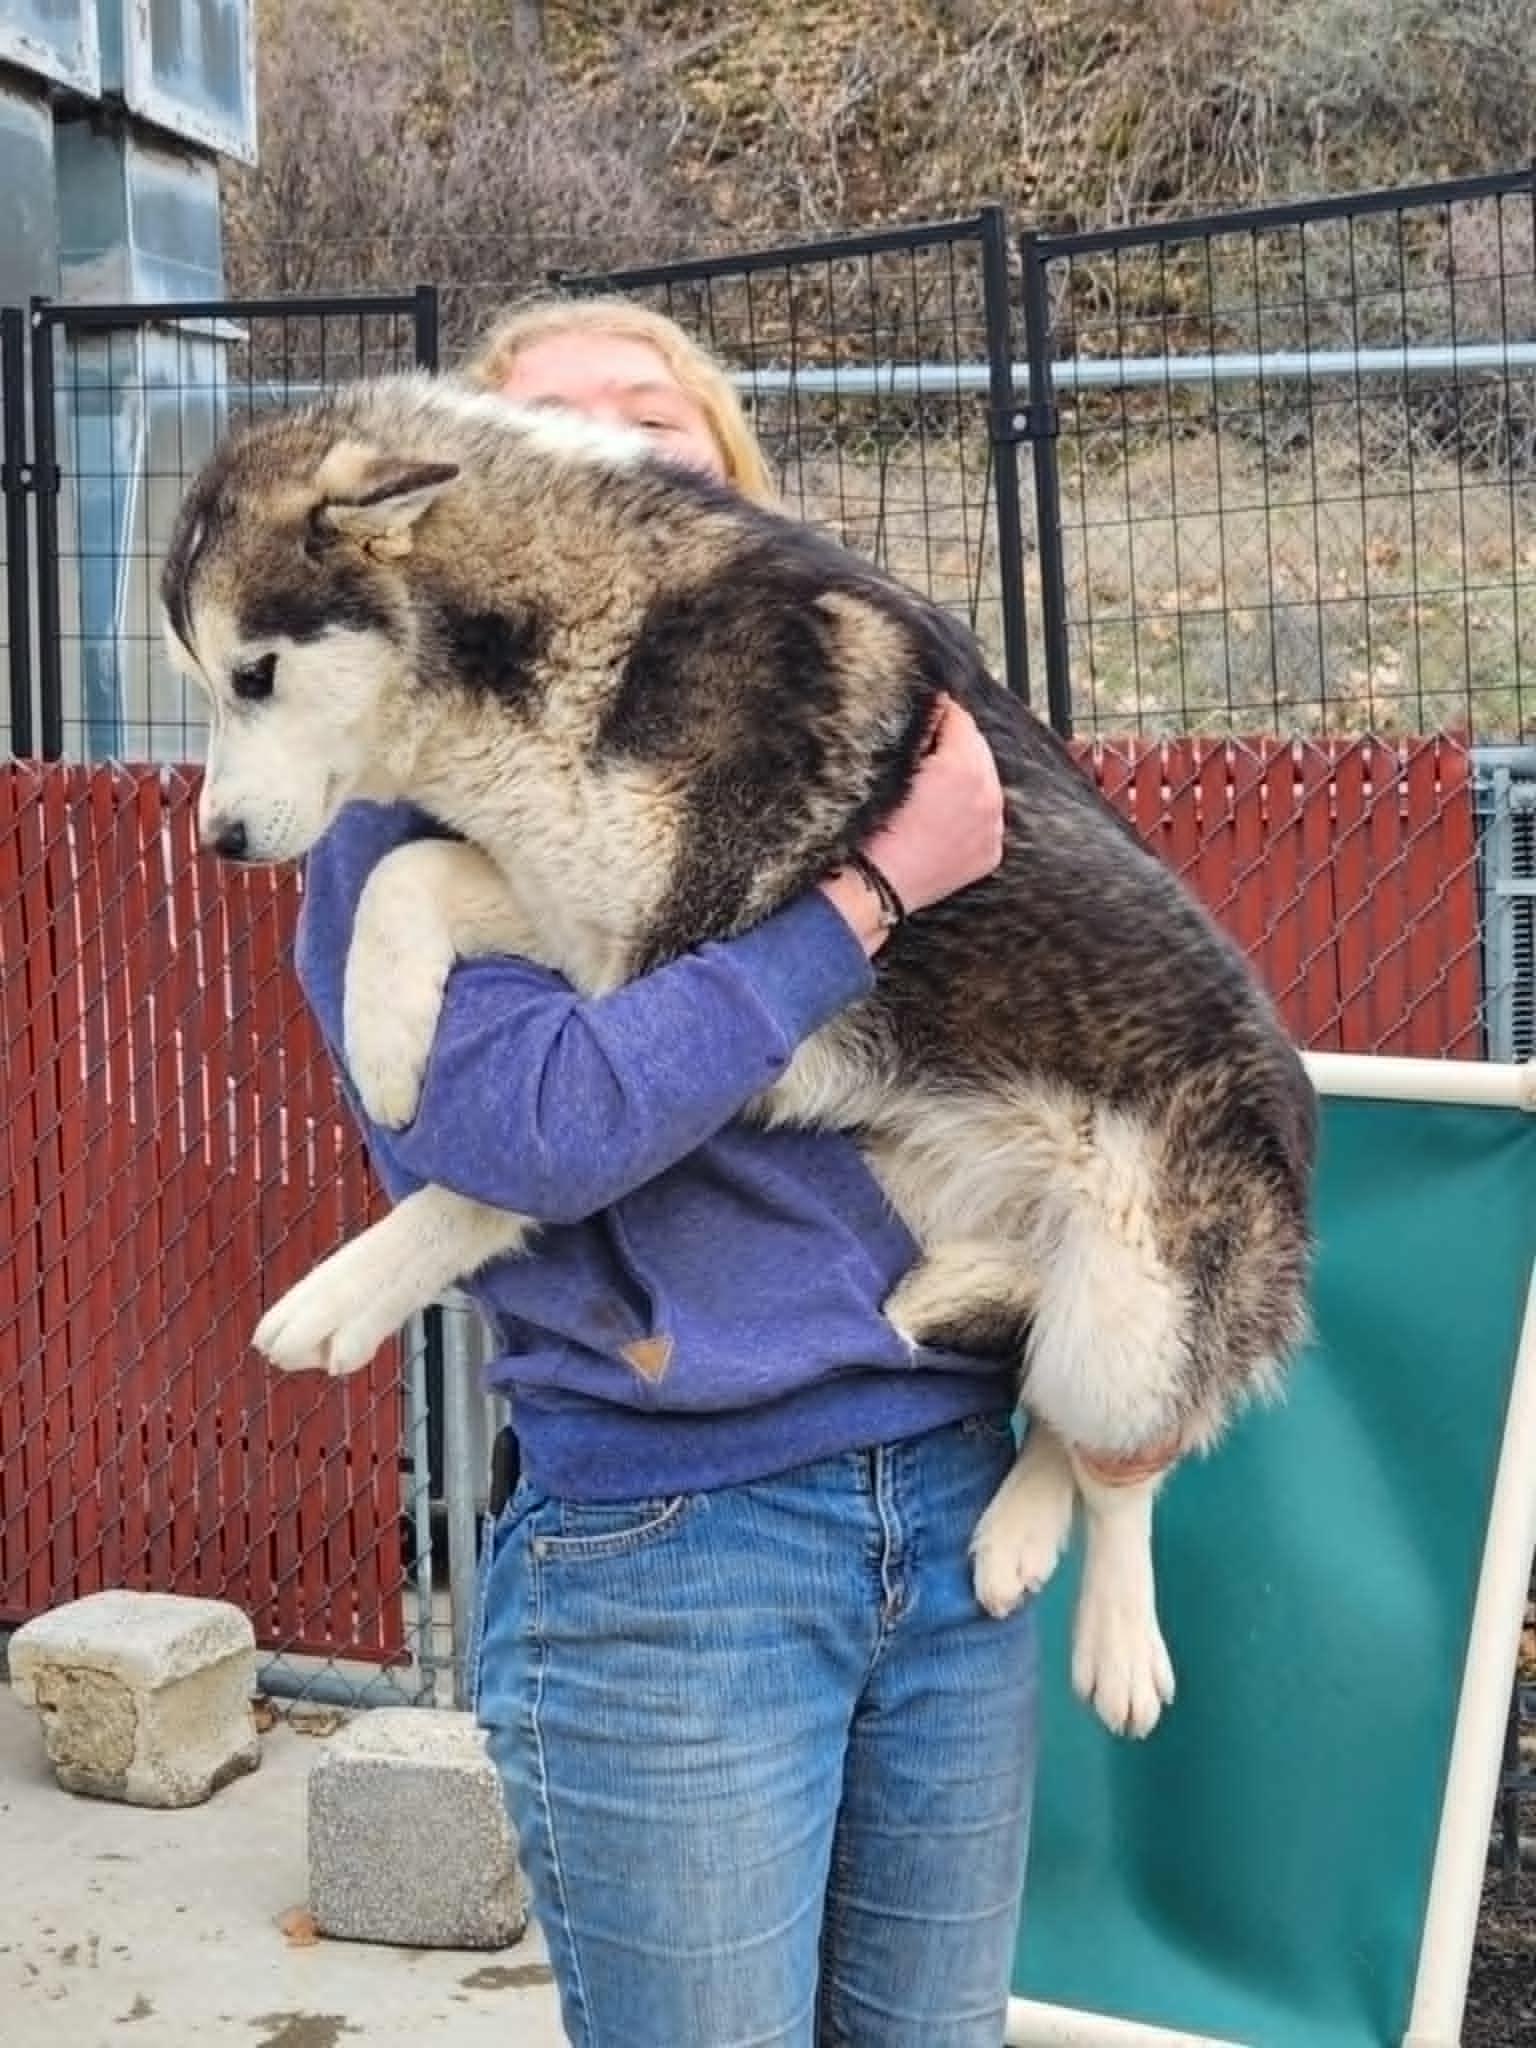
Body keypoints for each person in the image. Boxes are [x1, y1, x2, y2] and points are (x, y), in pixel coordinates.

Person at [293, 296, 1039, 2047]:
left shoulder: (862, 732)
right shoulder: (399, 817)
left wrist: (1112, 1393)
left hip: (953, 1502)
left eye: (658, 412)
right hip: (675, 1552)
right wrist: (870, 902)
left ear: (736, 480)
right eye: (554, 425)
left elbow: (1041, 1039)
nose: (618, 441)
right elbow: (539, 1130)